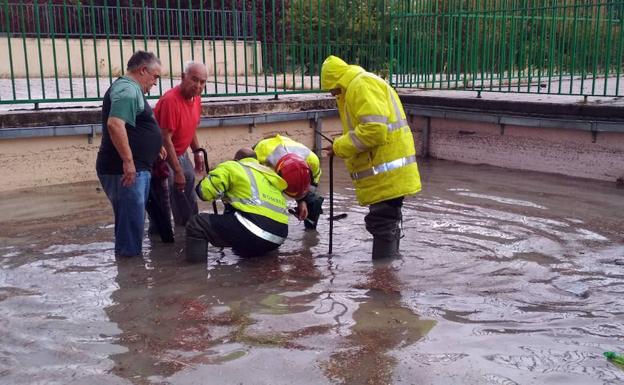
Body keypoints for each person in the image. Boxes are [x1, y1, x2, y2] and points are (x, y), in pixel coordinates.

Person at [320, 55, 422, 259]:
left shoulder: (361, 85)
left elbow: (374, 131)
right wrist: (340, 147)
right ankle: (390, 270)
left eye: (332, 88)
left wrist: (340, 145)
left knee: (382, 221)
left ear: (338, 80)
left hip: (387, 172)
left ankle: (382, 278)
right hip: (387, 172)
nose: (332, 93)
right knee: (387, 220)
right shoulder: (361, 84)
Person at [96, 51, 163, 257]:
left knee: (131, 224)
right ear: (143, 70)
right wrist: (128, 161)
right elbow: (115, 124)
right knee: (130, 228)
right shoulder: (127, 89)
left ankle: (131, 272)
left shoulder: (132, 89)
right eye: (155, 77)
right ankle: (131, 276)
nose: (155, 83)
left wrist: (155, 145)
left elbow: (135, 125)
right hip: (124, 171)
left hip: (133, 169)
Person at [185, 148, 289, 262]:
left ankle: (195, 272)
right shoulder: (269, 174)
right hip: (279, 236)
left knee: (196, 224)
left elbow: (204, 193)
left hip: (254, 230)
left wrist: (204, 181)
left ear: (237, 159)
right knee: (241, 226)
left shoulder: (232, 166)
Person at [147, 61, 208, 239]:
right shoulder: (170, 101)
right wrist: (177, 170)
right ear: (183, 77)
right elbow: (166, 139)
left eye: (202, 82)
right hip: (163, 158)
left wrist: (197, 151)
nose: (198, 86)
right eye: (194, 80)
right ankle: (160, 245)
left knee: (188, 200)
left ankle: (189, 235)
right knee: (163, 208)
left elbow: (191, 126)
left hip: (182, 154)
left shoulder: (196, 97)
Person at [253, 134, 324, 230]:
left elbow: (315, 179)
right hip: (266, 148)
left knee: (314, 201)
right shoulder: (262, 161)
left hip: (287, 148)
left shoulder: (312, 161)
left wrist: (303, 200)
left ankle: (310, 230)